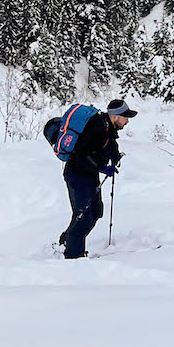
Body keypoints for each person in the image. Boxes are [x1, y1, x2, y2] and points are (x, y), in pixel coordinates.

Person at [59, 98, 135, 259]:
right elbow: (80, 155)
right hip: (77, 174)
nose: (127, 121)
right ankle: (73, 256)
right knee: (84, 215)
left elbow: (110, 145)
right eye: (125, 117)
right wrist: (102, 168)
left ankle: (66, 241)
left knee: (95, 212)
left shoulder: (109, 128)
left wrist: (115, 157)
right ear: (115, 116)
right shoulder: (97, 127)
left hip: (89, 175)